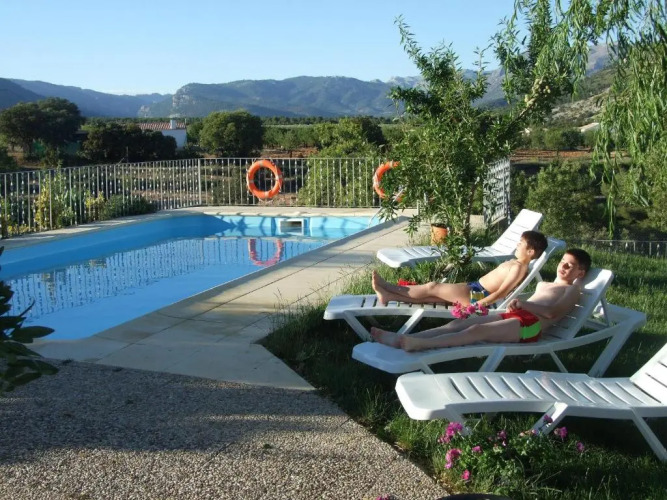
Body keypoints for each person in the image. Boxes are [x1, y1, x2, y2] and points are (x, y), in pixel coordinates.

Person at [371, 248, 592, 352]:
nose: (563, 266)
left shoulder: (572, 290)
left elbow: (552, 312)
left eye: (570, 265)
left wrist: (524, 303)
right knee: (458, 324)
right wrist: (520, 304)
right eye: (562, 261)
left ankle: (421, 344)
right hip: (518, 316)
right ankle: (402, 339)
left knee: (477, 331)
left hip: (531, 326)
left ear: (580, 273)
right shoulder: (545, 284)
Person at [371, 230, 548, 308]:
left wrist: (479, 305)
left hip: (478, 294)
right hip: (475, 288)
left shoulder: (518, 268)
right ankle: (389, 295)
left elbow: (502, 292)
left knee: (433, 287)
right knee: (434, 297)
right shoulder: (517, 264)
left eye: (521, 243)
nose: (517, 245)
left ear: (530, 252)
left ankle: (388, 287)